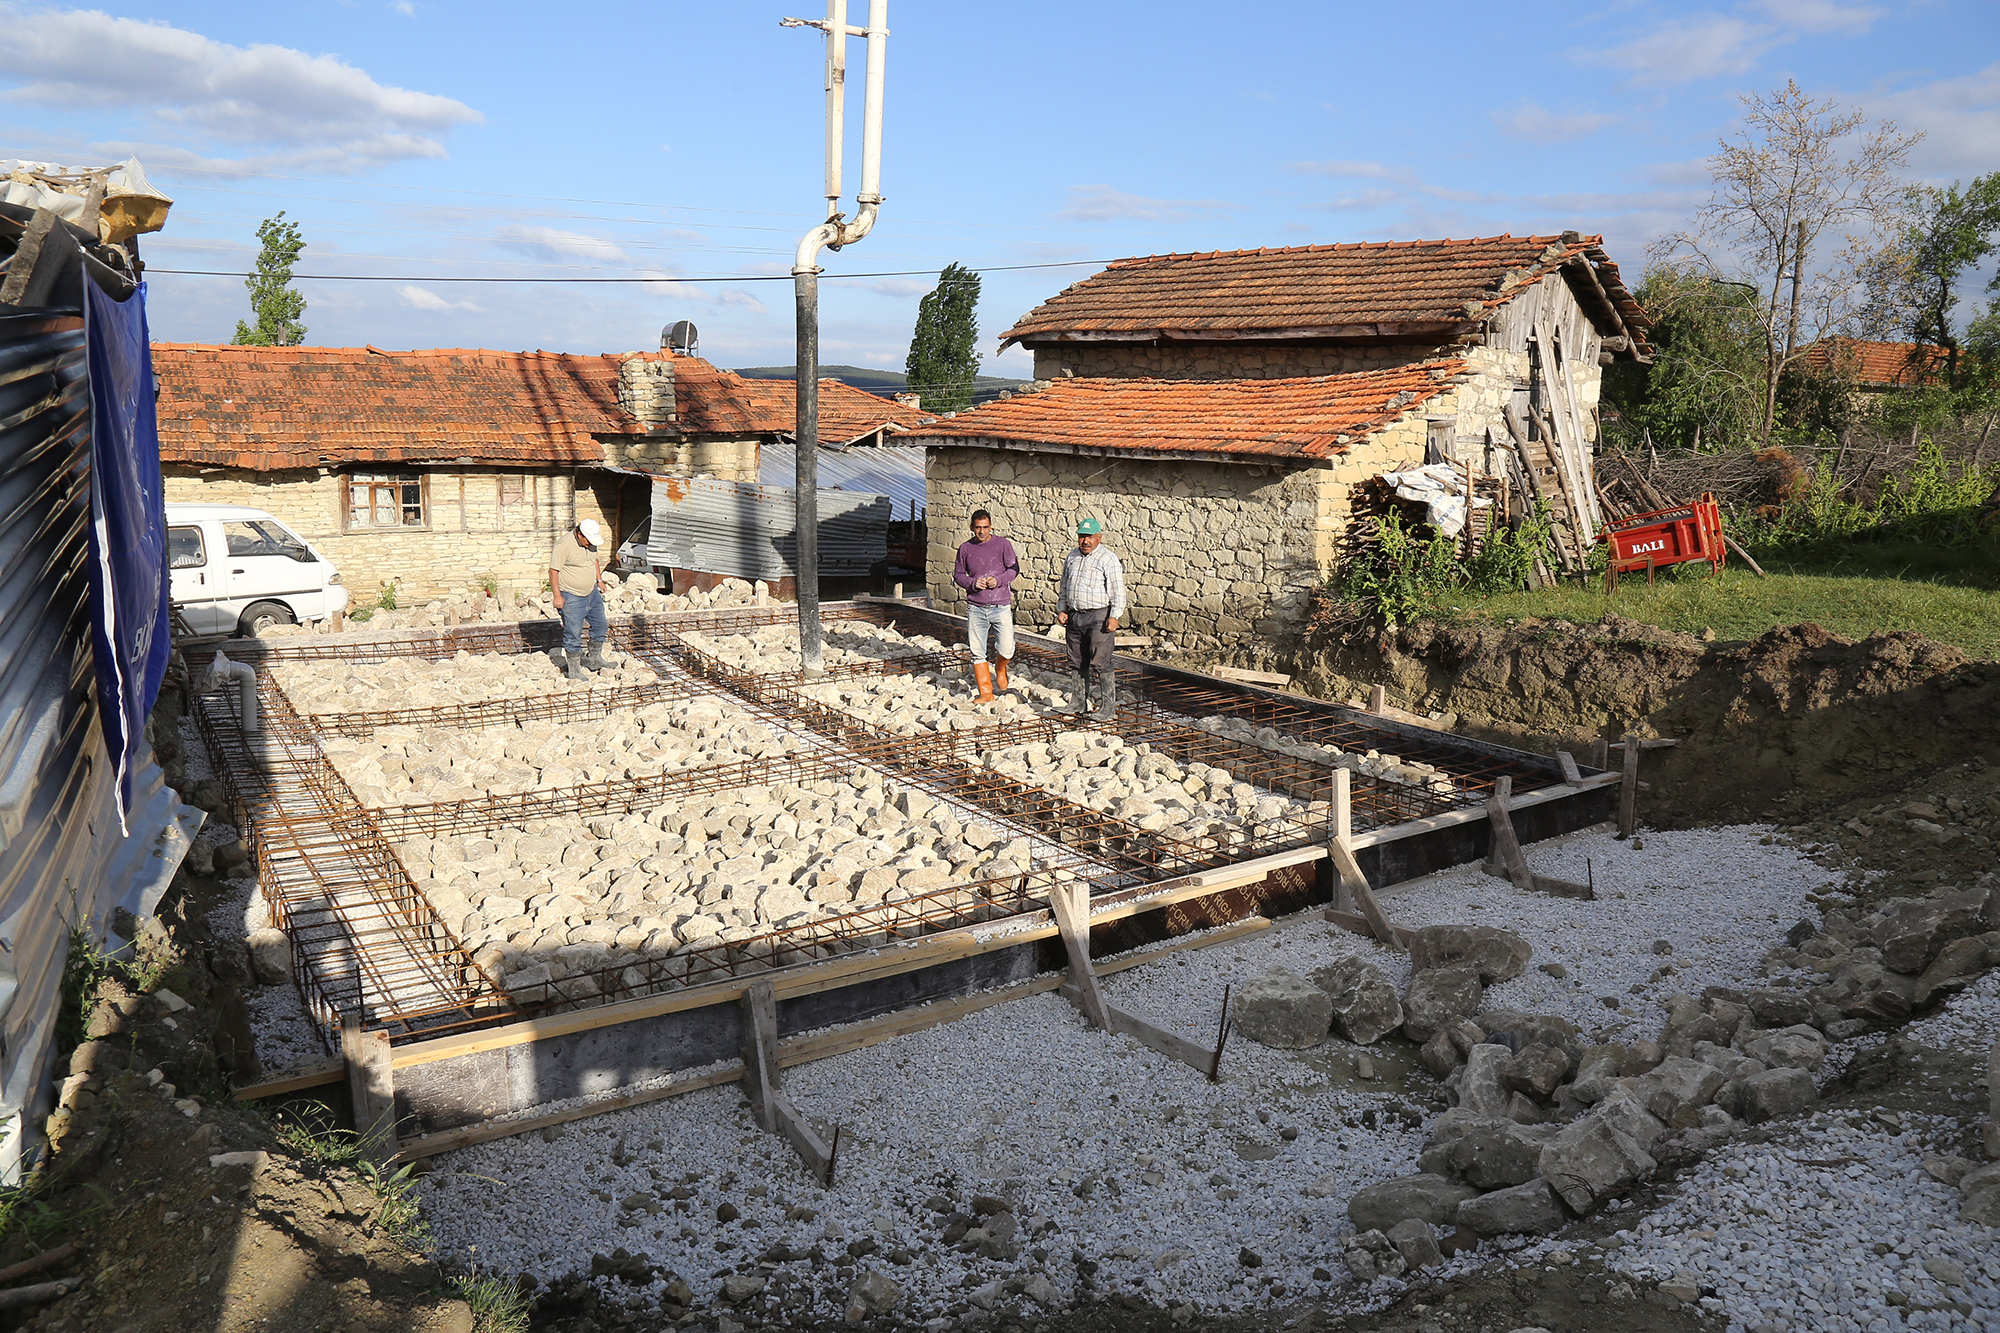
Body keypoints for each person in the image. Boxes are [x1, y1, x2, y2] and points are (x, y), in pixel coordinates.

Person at [1055, 517, 1126, 719]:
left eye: (1090, 537)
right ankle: (1078, 702)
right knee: (1076, 660)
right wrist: (1062, 609)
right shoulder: (1072, 557)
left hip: (1098, 616)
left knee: (1101, 660)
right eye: (1082, 536)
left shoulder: (1107, 559)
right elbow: (1064, 585)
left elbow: (1117, 590)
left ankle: (1107, 708)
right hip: (1075, 615)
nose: (1085, 541)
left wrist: (1114, 616)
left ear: (1099, 538)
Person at [952, 509, 1020, 702]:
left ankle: (1000, 667)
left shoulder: (1003, 545)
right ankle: (986, 693)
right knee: (977, 652)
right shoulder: (965, 548)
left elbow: (1014, 569)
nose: (982, 531)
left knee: (1007, 648)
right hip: (976, 607)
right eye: (978, 528)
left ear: (991, 527)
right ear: (972, 527)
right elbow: (958, 575)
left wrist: (998, 580)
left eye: (985, 527)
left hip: (1000, 605)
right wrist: (973, 583)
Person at [549, 519, 610, 681]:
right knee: (573, 633)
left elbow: (594, 561)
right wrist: (557, 596)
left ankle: (595, 659)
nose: (590, 544)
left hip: (592, 593)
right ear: (580, 534)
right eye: (588, 541)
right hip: (571, 595)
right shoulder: (563, 545)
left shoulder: (590, 543)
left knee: (601, 625)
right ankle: (574, 670)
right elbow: (553, 571)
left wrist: (599, 580)